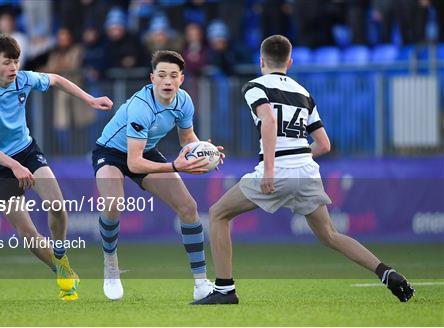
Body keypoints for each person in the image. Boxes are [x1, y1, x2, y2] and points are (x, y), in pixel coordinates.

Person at [193, 35, 414, 305]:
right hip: (307, 172)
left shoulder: (255, 86)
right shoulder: (304, 93)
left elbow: (269, 119)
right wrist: (298, 153)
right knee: (329, 235)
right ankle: (387, 273)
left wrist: (270, 170)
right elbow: (324, 144)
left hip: (278, 169)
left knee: (218, 214)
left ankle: (225, 290)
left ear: (261, 61)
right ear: (290, 61)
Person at [0, 34, 113, 301]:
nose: (13, 67)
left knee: (57, 206)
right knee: (27, 232)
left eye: (16, 61)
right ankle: (62, 270)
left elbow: (56, 79)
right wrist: (13, 166)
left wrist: (89, 99)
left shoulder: (23, 79)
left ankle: (60, 252)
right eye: (7, 62)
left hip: (27, 151)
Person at [92, 50, 221, 301]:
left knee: (188, 207)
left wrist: (206, 152)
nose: (167, 81)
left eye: (173, 75)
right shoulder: (141, 107)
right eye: (161, 75)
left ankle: (201, 284)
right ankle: (110, 264)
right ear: (152, 78)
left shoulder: (184, 101)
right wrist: (175, 167)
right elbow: (134, 163)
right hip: (111, 153)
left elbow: (187, 140)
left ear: (181, 79)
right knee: (113, 203)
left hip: (145, 151)